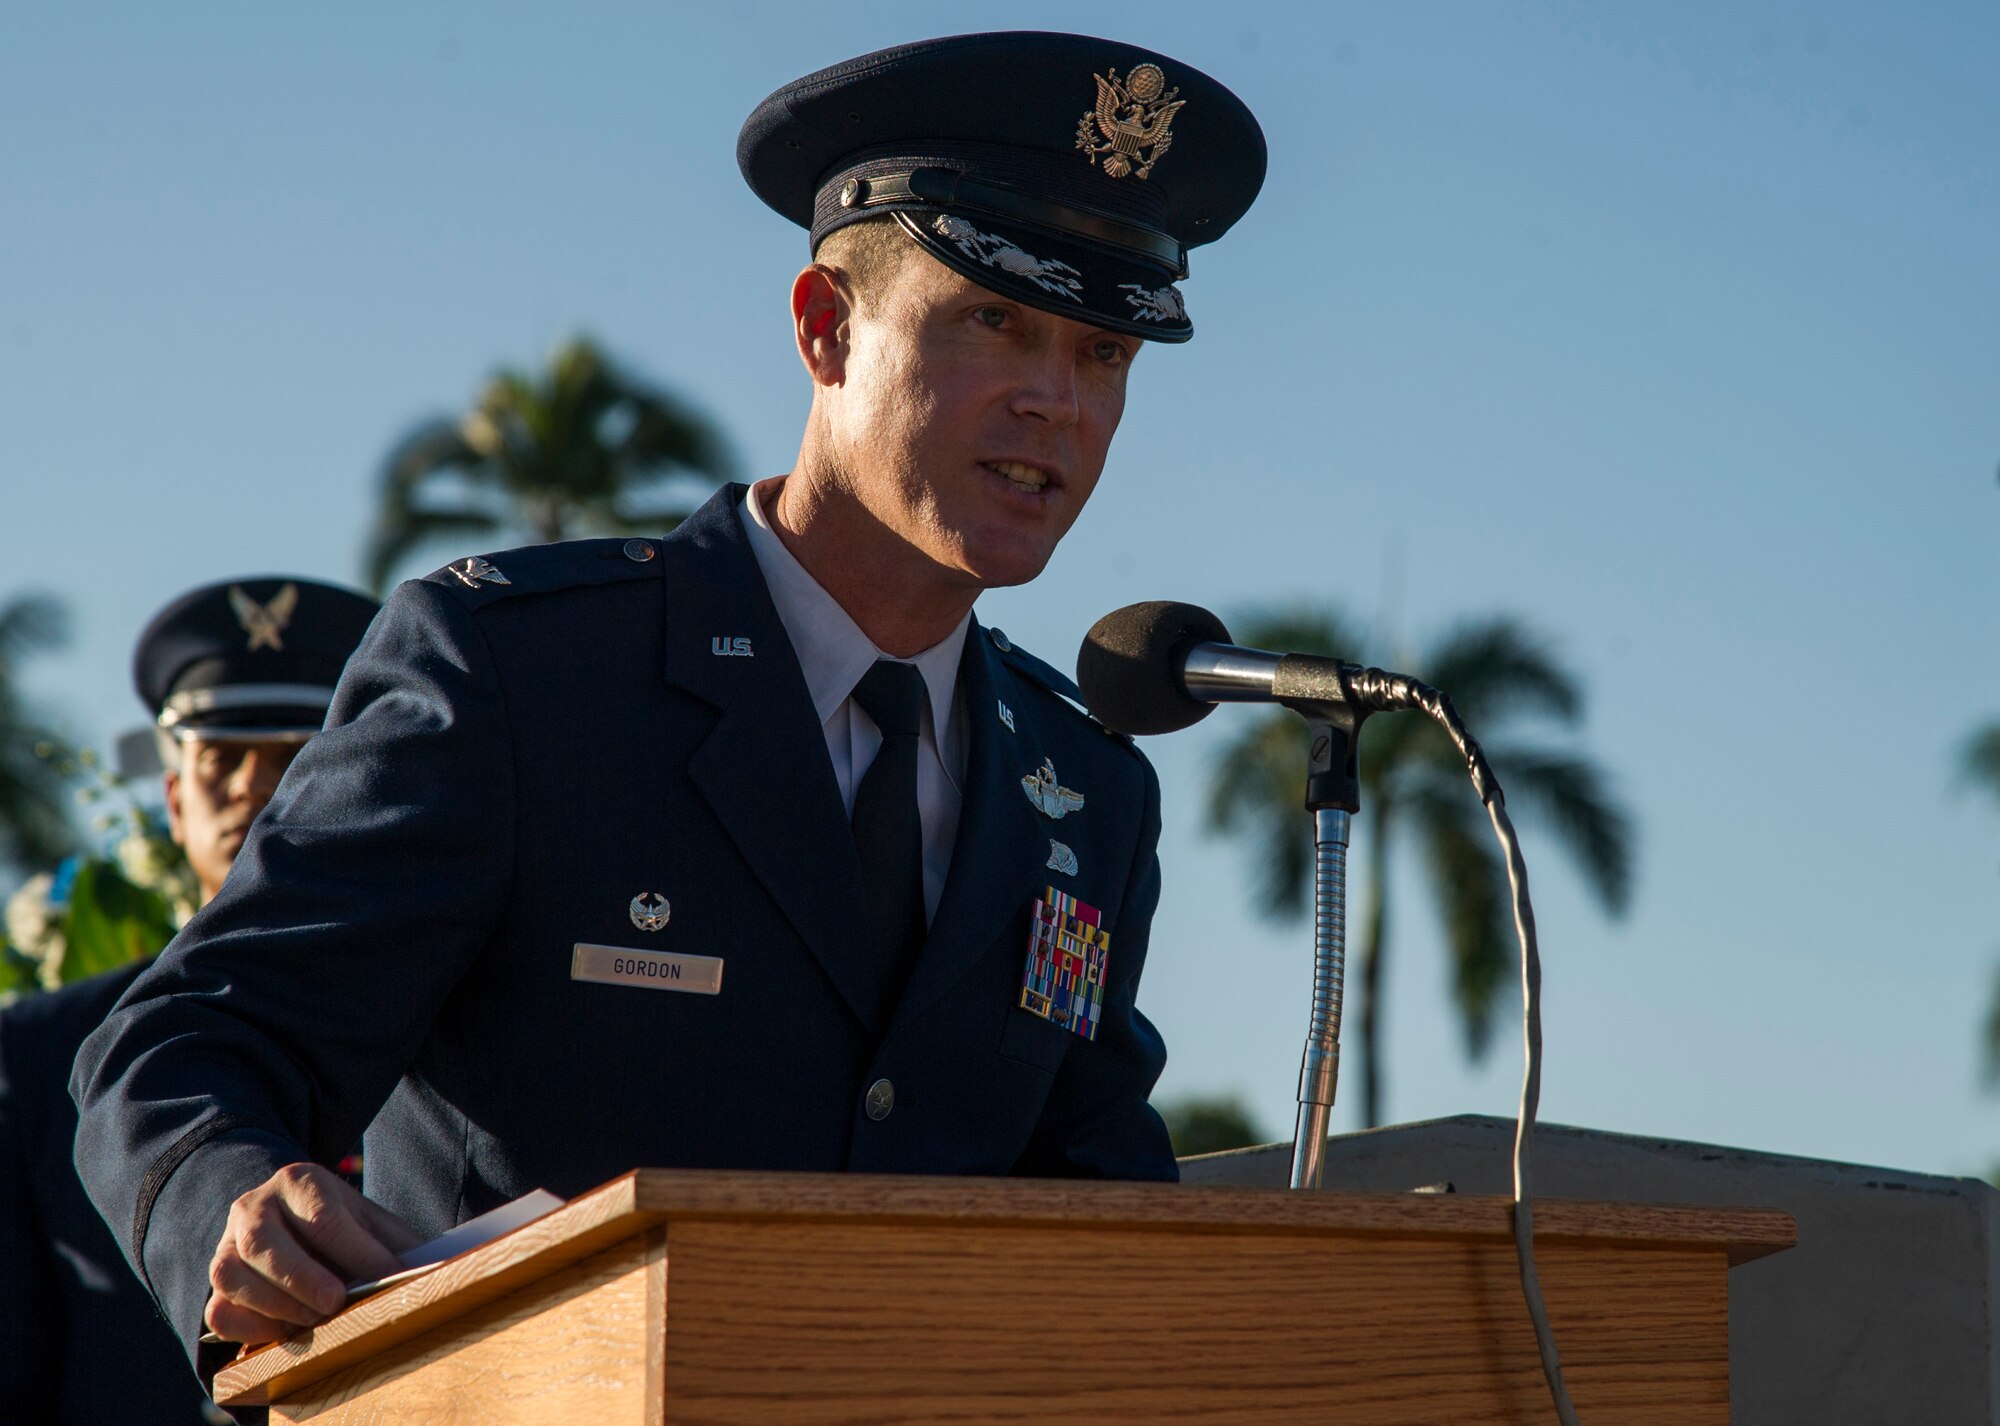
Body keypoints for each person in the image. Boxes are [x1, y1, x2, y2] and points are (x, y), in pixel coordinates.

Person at [73, 31, 1267, 1372]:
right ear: (826, 329)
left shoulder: (1086, 785)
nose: (1056, 401)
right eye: (998, 320)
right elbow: (188, 1039)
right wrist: (232, 1196)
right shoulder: (521, 671)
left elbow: (1094, 1198)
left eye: (1106, 353)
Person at [0, 577, 378, 1423]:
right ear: (173, 798)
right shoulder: (36, 1054)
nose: (252, 786)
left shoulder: (445, 1041)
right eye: (220, 757)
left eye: (294, 757)